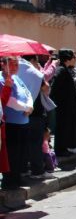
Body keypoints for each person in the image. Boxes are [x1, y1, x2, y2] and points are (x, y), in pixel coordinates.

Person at [0, 56, 35, 190]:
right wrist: (26, 108)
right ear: (3, 65)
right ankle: (9, 181)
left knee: (21, 154)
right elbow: (9, 101)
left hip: (23, 122)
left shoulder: (16, 78)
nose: (15, 68)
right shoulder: (2, 79)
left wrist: (30, 106)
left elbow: (28, 93)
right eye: (12, 65)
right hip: (11, 123)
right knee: (11, 154)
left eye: (17, 65)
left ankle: (18, 178)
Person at [49, 49, 76, 157]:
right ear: (68, 58)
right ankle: (60, 150)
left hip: (67, 105)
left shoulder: (65, 70)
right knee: (62, 128)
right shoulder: (61, 70)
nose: (75, 59)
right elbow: (54, 88)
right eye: (73, 57)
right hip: (63, 106)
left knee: (66, 127)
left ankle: (63, 148)